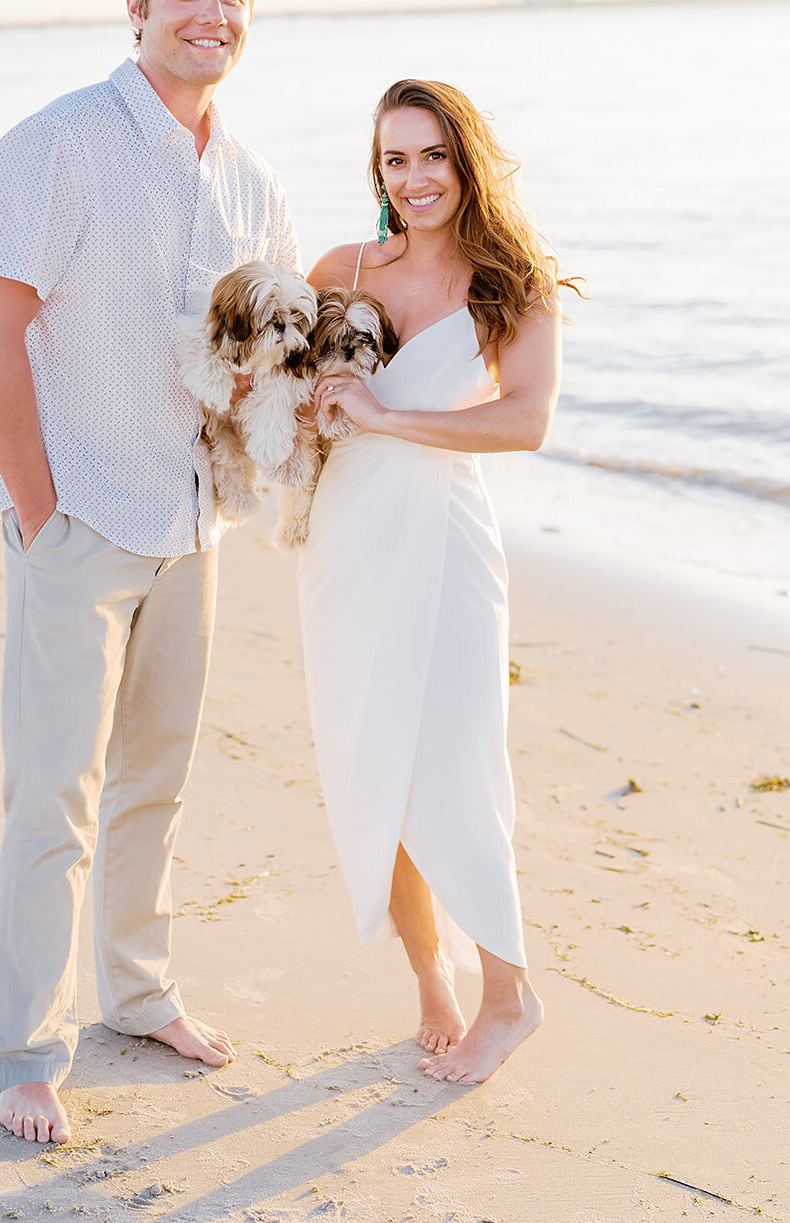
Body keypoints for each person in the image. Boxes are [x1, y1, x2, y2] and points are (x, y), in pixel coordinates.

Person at [0, 0, 299, 1143]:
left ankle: (139, 992)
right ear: (140, 4)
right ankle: (24, 1047)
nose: (213, 11)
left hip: (191, 525)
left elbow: (257, 357)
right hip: (79, 522)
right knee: (55, 790)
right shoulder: (56, 143)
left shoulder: (251, 178)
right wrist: (42, 513)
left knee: (155, 780)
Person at [299, 78, 577, 1086]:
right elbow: (289, 392)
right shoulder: (342, 269)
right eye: (393, 160)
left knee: (453, 769)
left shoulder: (512, 282)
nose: (413, 179)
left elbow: (525, 421)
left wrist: (385, 416)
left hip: (447, 542)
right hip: (346, 543)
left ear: (466, 162)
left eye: (432, 157)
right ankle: (432, 984)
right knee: (373, 768)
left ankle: (511, 995)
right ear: (377, 172)